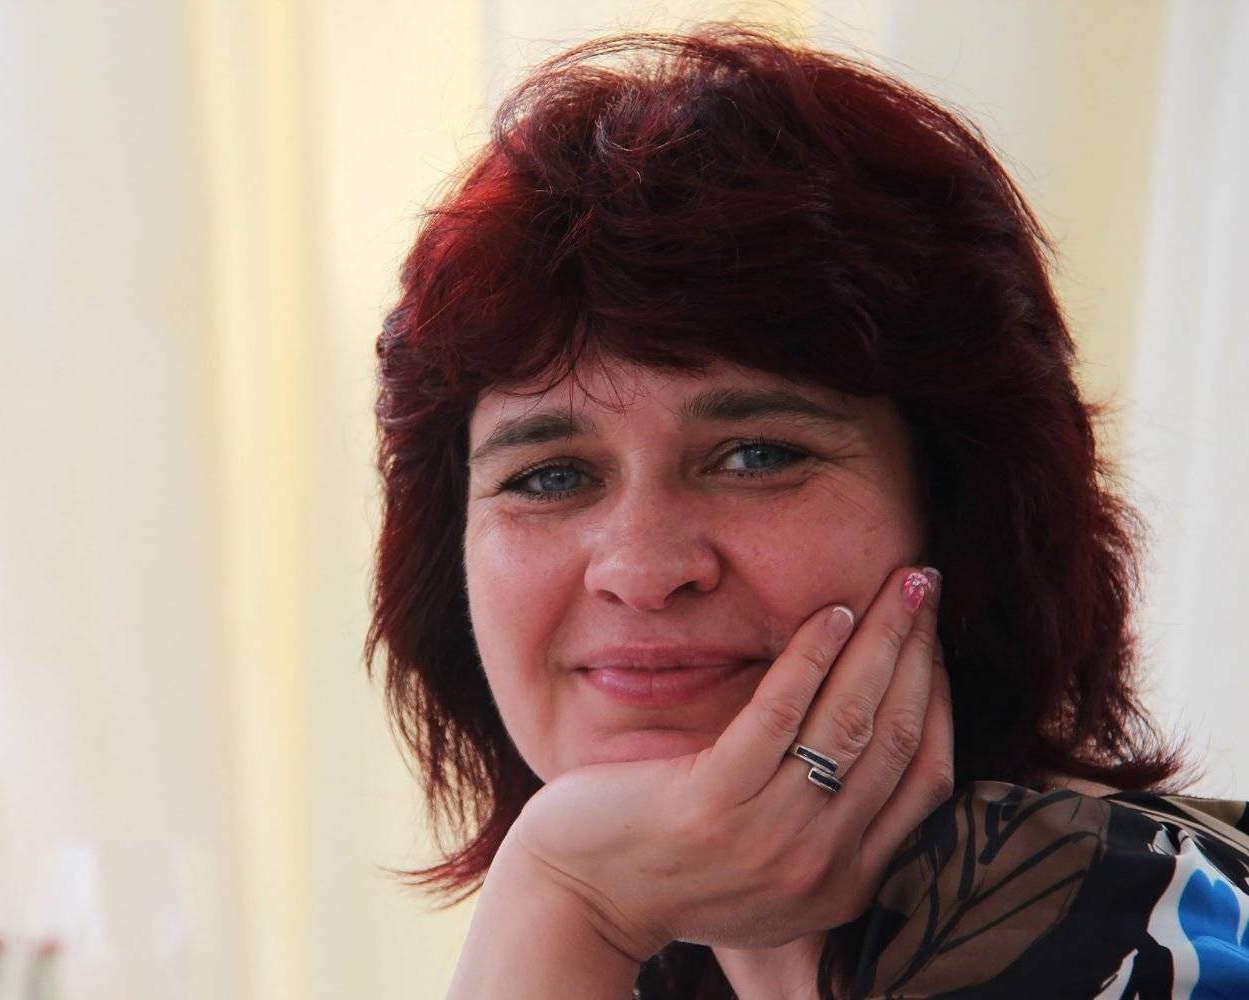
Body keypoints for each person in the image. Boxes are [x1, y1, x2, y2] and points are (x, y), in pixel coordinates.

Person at [365, 25, 1249, 999]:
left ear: (958, 508)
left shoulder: (1102, 918)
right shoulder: (663, 946)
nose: (641, 569)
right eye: (548, 477)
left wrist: (562, 899)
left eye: (757, 456)